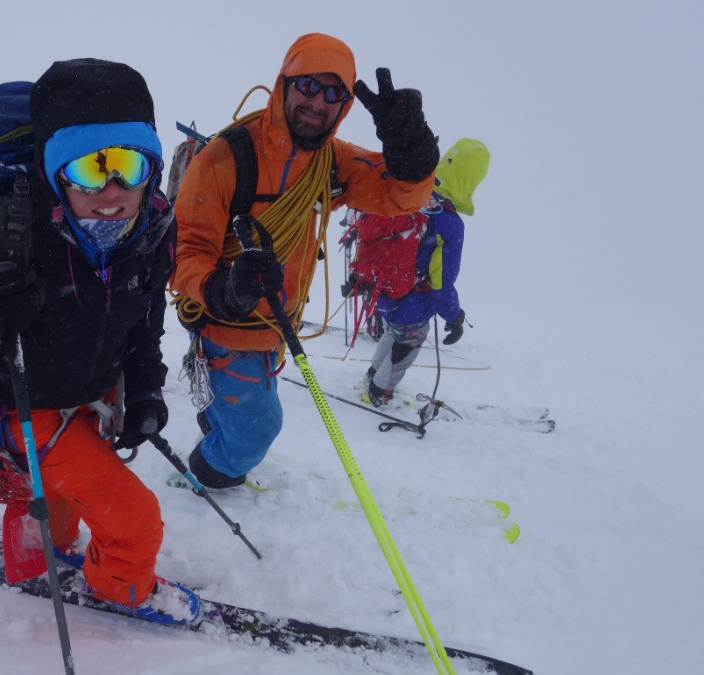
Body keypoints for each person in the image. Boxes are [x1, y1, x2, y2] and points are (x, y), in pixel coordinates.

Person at [0, 59, 199, 625]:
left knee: (62, 497)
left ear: (151, 166)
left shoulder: (153, 230)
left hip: (92, 399)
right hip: (17, 406)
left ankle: (44, 541)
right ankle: (120, 586)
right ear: (55, 171)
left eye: (128, 165)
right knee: (135, 521)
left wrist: (146, 390)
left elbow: (146, 316)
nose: (113, 190)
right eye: (89, 169)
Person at [170, 32, 440, 489]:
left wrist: (412, 154)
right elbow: (183, 251)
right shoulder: (226, 156)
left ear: (345, 106)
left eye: (334, 93)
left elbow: (399, 196)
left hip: (278, 325)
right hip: (227, 323)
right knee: (258, 427)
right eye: (308, 86)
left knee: (248, 401)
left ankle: (219, 427)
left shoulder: (330, 163)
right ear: (284, 84)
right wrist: (224, 289)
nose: (318, 101)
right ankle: (209, 474)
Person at [363, 138, 490, 406]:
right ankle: (380, 392)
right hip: (413, 304)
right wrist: (454, 316)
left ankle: (373, 375)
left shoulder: (413, 198)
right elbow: (441, 283)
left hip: (386, 292)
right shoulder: (449, 223)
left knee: (392, 333)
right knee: (406, 344)